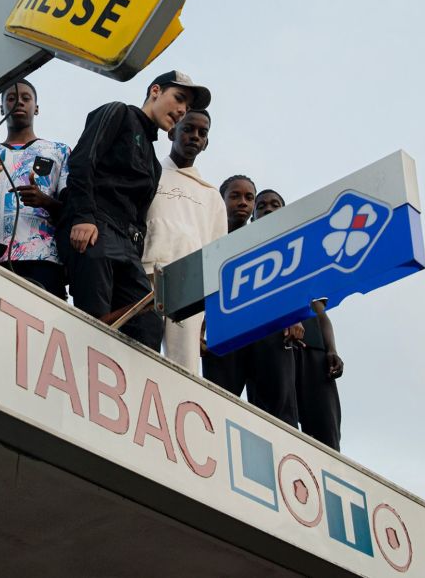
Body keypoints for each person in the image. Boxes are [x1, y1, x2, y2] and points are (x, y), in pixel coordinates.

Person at [59, 70, 211, 350]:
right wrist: (83, 217)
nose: (181, 111)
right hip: (97, 230)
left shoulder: (154, 163)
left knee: (148, 325)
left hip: (128, 248)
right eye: (178, 99)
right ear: (155, 91)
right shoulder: (119, 113)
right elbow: (81, 162)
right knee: (93, 321)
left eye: (187, 107)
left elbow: (140, 216)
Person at [201, 176, 299, 427]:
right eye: (235, 196)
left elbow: (287, 282)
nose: (243, 203)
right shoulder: (207, 238)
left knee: (277, 410)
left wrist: (294, 316)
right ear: (221, 201)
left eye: (248, 197)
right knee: (217, 401)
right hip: (222, 332)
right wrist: (198, 327)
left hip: (264, 330)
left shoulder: (267, 241)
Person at [254, 189, 344, 450]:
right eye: (261, 206)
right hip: (274, 345)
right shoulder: (250, 256)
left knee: (326, 429)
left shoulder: (305, 252)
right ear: (254, 217)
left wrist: (332, 350)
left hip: (313, 349)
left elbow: (319, 311)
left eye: (275, 205)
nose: (268, 210)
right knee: (279, 422)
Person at [141, 109, 226, 372]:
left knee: (185, 365)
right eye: (188, 129)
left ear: (207, 143)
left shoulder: (211, 195)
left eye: (202, 133)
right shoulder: (149, 171)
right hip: (146, 275)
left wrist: (210, 309)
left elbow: (216, 252)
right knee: (140, 351)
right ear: (172, 132)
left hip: (189, 286)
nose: (195, 136)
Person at [0, 79, 70, 299]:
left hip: (44, 260)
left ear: (37, 107)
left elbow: (72, 209)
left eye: (26, 98)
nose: (19, 103)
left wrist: (46, 201)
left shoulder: (58, 151)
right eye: (11, 98)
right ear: (2, 107)